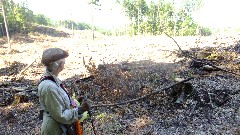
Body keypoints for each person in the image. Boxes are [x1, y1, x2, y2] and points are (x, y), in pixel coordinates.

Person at [38, 48, 91, 135]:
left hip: (60, 127)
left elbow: (58, 103)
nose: (64, 64)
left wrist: (75, 102)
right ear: (59, 65)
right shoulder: (49, 87)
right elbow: (60, 116)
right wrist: (79, 110)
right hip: (55, 130)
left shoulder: (52, 80)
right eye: (63, 62)